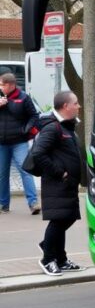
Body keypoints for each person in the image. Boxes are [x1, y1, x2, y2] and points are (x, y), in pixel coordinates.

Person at [35, 91, 84, 276]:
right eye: (76, 103)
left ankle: (61, 259)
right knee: (58, 221)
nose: (79, 106)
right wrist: (59, 172)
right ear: (65, 106)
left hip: (68, 183)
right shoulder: (52, 128)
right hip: (58, 183)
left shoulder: (67, 127)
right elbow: (38, 154)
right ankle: (48, 259)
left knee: (67, 217)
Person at [0, 72, 41, 214]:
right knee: (2, 174)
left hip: (19, 142)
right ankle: (3, 204)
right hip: (2, 143)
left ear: (11, 85)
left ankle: (33, 202)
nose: (0, 87)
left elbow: (34, 116)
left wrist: (26, 129)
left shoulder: (23, 98)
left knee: (25, 170)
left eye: (2, 84)